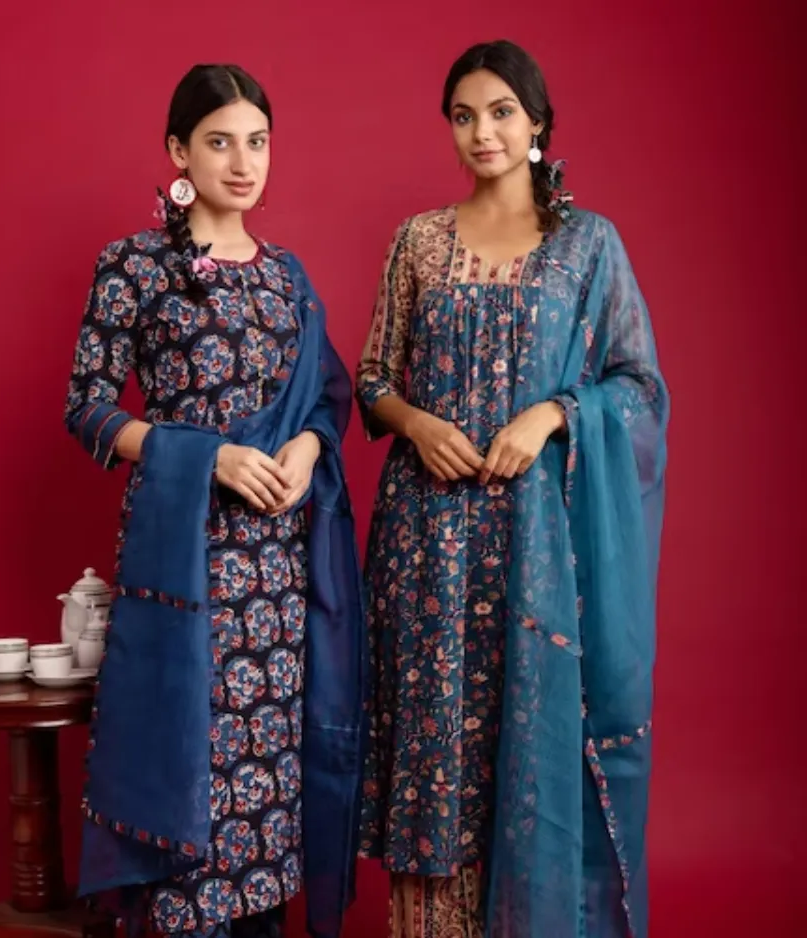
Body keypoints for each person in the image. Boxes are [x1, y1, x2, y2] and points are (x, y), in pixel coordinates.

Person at [356, 39, 668, 938]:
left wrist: (554, 415)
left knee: (528, 752)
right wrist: (417, 425)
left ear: (537, 123)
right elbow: (372, 380)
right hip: (426, 547)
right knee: (435, 759)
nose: (481, 132)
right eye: (464, 116)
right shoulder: (419, 240)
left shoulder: (587, 245)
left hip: (537, 553)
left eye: (500, 112)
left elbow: (639, 389)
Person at [64, 63, 365, 938]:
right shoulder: (133, 266)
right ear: (178, 152)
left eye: (257, 142)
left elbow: (327, 399)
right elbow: (87, 408)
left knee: (266, 787)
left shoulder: (287, 277)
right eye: (220, 141)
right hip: (184, 566)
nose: (243, 162)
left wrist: (309, 448)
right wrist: (209, 457)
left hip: (279, 579)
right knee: (187, 776)